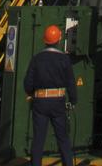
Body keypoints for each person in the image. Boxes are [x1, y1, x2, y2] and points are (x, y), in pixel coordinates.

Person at [23, 24, 77, 166]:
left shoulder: (37, 59)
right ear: (59, 40)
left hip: (40, 102)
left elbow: (28, 82)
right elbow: (71, 82)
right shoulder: (64, 59)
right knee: (63, 139)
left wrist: (31, 93)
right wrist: (73, 100)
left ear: (44, 40)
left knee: (38, 140)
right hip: (58, 102)